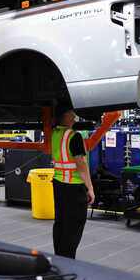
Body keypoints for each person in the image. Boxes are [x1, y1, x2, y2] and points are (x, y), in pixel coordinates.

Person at [51, 101, 94, 259]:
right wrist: (90, 188)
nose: (74, 115)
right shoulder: (74, 136)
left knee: (61, 222)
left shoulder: (55, 133)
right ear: (67, 115)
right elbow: (81, 163)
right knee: (74, 224)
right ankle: (68, 259)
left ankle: (60, 256)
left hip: (58, 184)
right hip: (74, 187)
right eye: (72, 113)